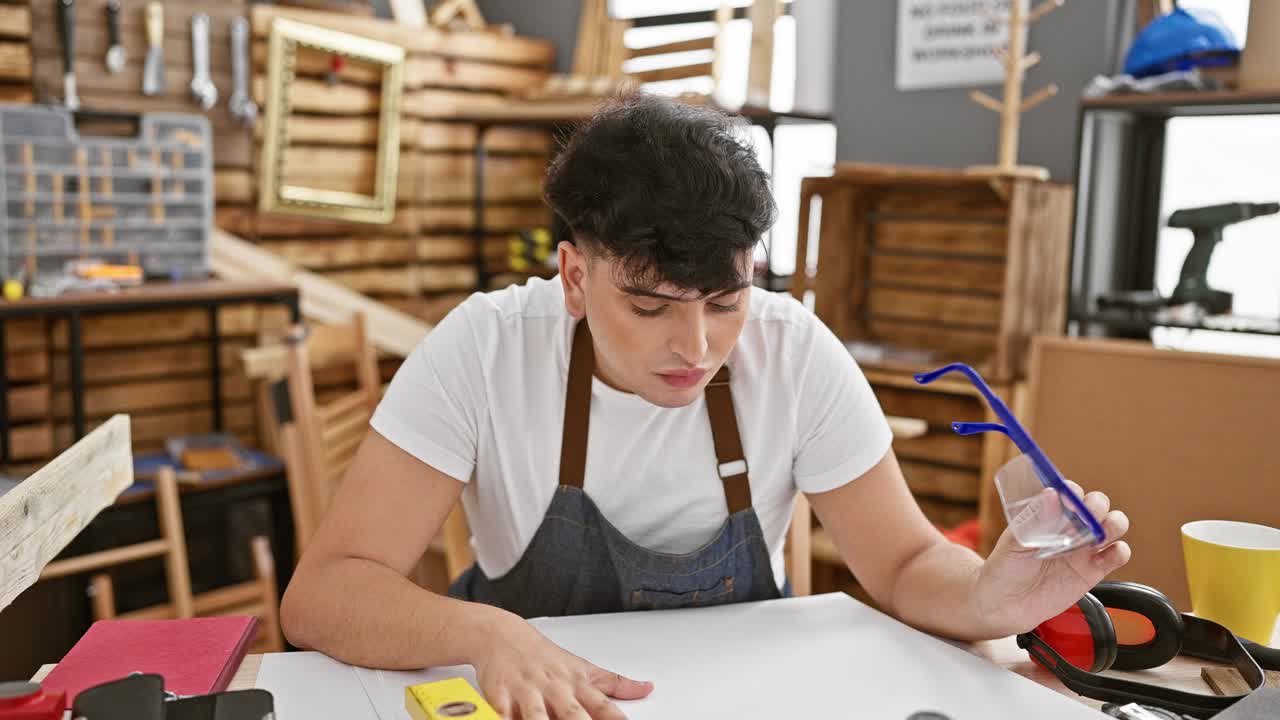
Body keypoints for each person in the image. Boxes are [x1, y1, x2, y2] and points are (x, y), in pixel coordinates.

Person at [280, 94, 1131, 720]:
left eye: (725, 301)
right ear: (576, 276)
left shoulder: (793, 351)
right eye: (650, 307)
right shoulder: (487, 348)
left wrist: (990, 597)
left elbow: (906, 565)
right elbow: (323, 595)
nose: (695, 346)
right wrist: (484, 634)